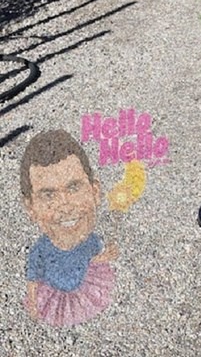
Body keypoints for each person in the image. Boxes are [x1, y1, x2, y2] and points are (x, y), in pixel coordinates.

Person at [20, 129, 117, 327]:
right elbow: (33, 277)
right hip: (54, 299)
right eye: (48, 195)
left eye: (73, 187)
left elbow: (93, 262)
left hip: (85, 292)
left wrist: (104, 258)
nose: (65, 205)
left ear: (95, 192)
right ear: (31, 208)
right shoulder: (39, 250)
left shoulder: (91, 241)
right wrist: (33, 300)